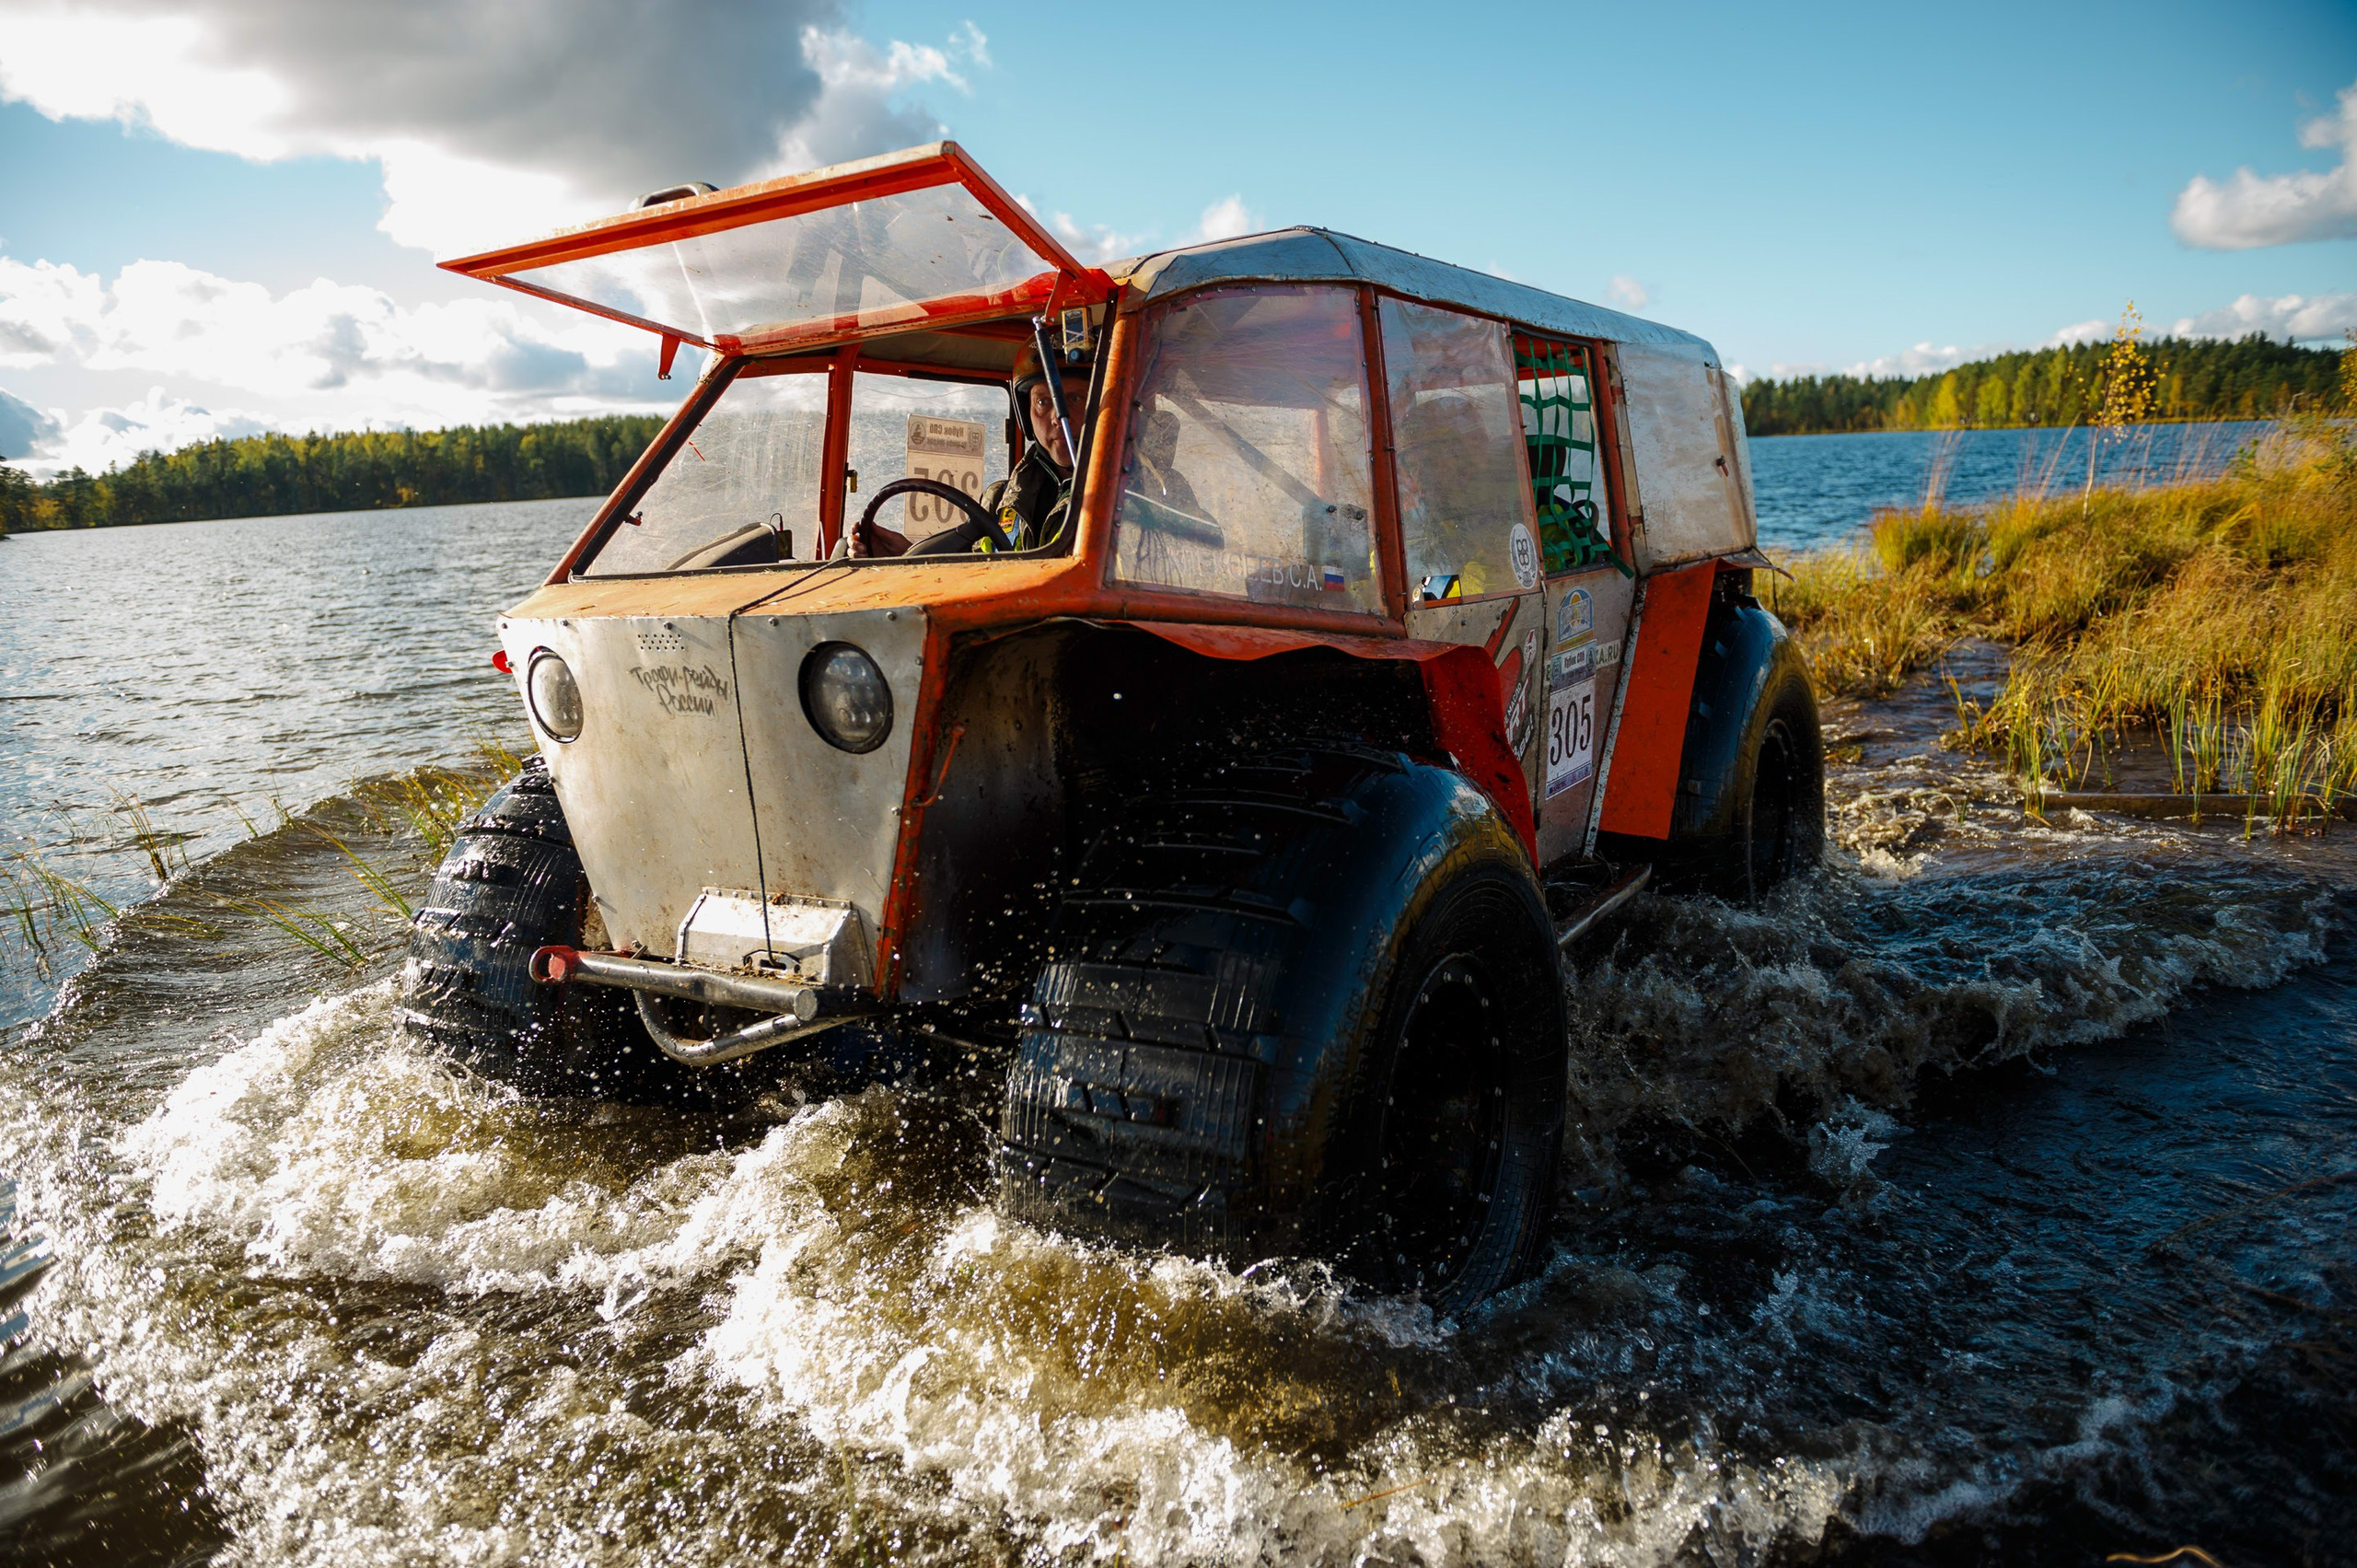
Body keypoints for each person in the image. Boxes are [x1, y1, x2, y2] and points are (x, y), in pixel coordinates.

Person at [853, 345, 1088, 557]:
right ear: (1026, 413)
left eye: (1075, 399)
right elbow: (973, 570)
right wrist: (906, 555)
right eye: (1043, 402)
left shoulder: (1119, 500)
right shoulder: (1002, 499)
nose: (1059, 417)